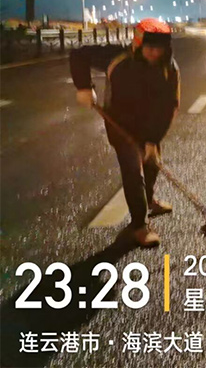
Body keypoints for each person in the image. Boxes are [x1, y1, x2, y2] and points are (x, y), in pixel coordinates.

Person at [70, 18, 180, 247]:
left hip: (150, 124)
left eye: (160, 49)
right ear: (138, 44)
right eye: (150, 48)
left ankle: (149, 201)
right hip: (120, 124)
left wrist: (153, 140)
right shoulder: (116, 57)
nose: (155, 53)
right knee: (133, 171)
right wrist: (84, 87)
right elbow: (78, 54)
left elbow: (169, 106)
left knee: (152, 164)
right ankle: (139, 226)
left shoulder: (169, 69)